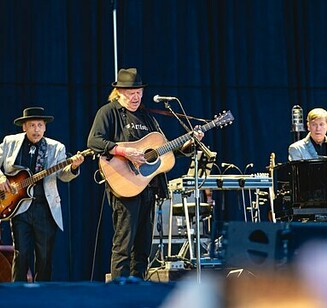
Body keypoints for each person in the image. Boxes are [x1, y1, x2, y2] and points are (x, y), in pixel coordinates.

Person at [87, 67, 204, 280]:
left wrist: (188, 144)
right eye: (131, 92)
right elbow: (94, 141)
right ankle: (119, 292)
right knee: (124, 243)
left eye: (139, 92)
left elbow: (165, 151)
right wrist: (124, 151)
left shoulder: (148, 118)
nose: (136, 96)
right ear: (119, 92)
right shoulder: (109, 112)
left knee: (142, 247)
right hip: (125, 185)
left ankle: (138, 290)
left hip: (148, 188)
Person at [0, 107, 85, 282]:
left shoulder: (56, 148)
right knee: (21, 254)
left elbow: (63, 175)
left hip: (45, 209)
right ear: (24, 127)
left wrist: (74, 167)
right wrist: (1, 178)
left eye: (40, 125)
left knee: (45, 256)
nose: (36, 129)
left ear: (45, 128)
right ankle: (17, 295)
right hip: (18, 208)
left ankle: (42, 296)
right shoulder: (10, 142)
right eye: (32, 125)